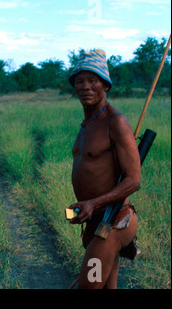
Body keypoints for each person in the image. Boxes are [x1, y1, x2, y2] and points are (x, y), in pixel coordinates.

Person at [67, 50, 141, 289]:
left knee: (88, 286)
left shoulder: (115, 121)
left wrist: (94, 203)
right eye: (80, 81)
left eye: (93, 80)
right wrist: (86, 206)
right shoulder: (87, 124)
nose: (85, 86)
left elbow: (133, 180)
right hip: (95, 221)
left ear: (105, 85)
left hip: (113, 222)